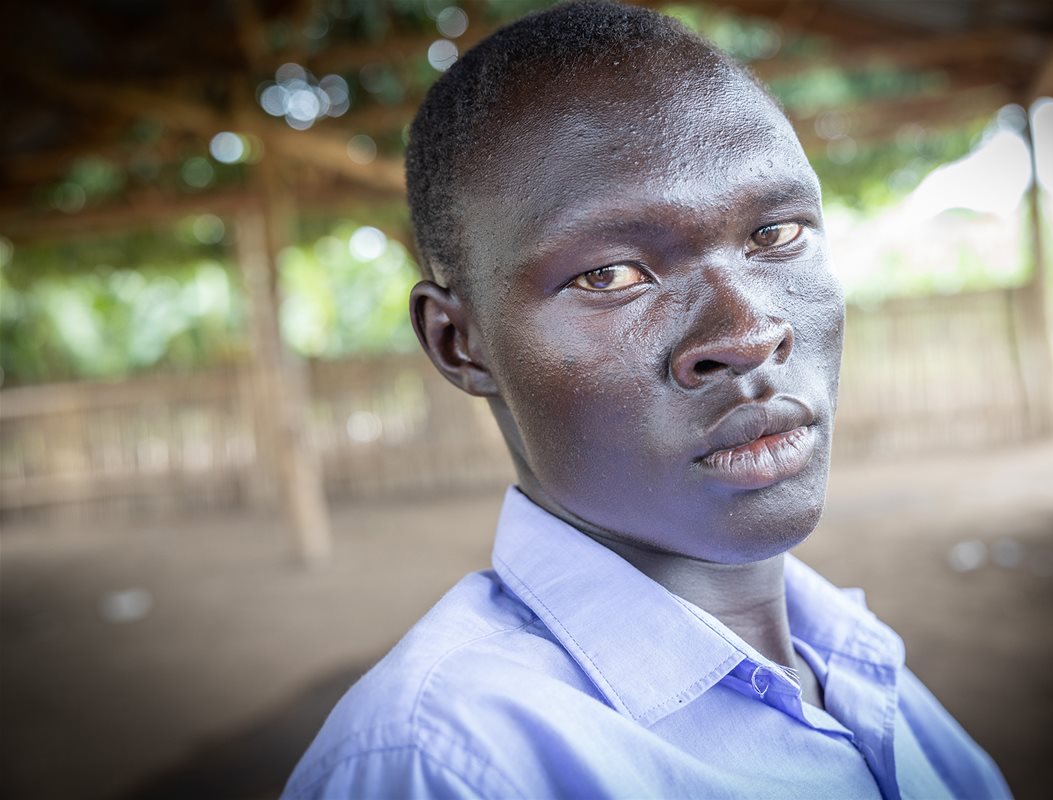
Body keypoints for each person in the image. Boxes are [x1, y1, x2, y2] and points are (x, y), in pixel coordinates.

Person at [284, 2, 1011, 797]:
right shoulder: (445, 763)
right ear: (462, 343)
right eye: (610, 275)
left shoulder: (853, 658)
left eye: (776, 235)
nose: (748, 331)